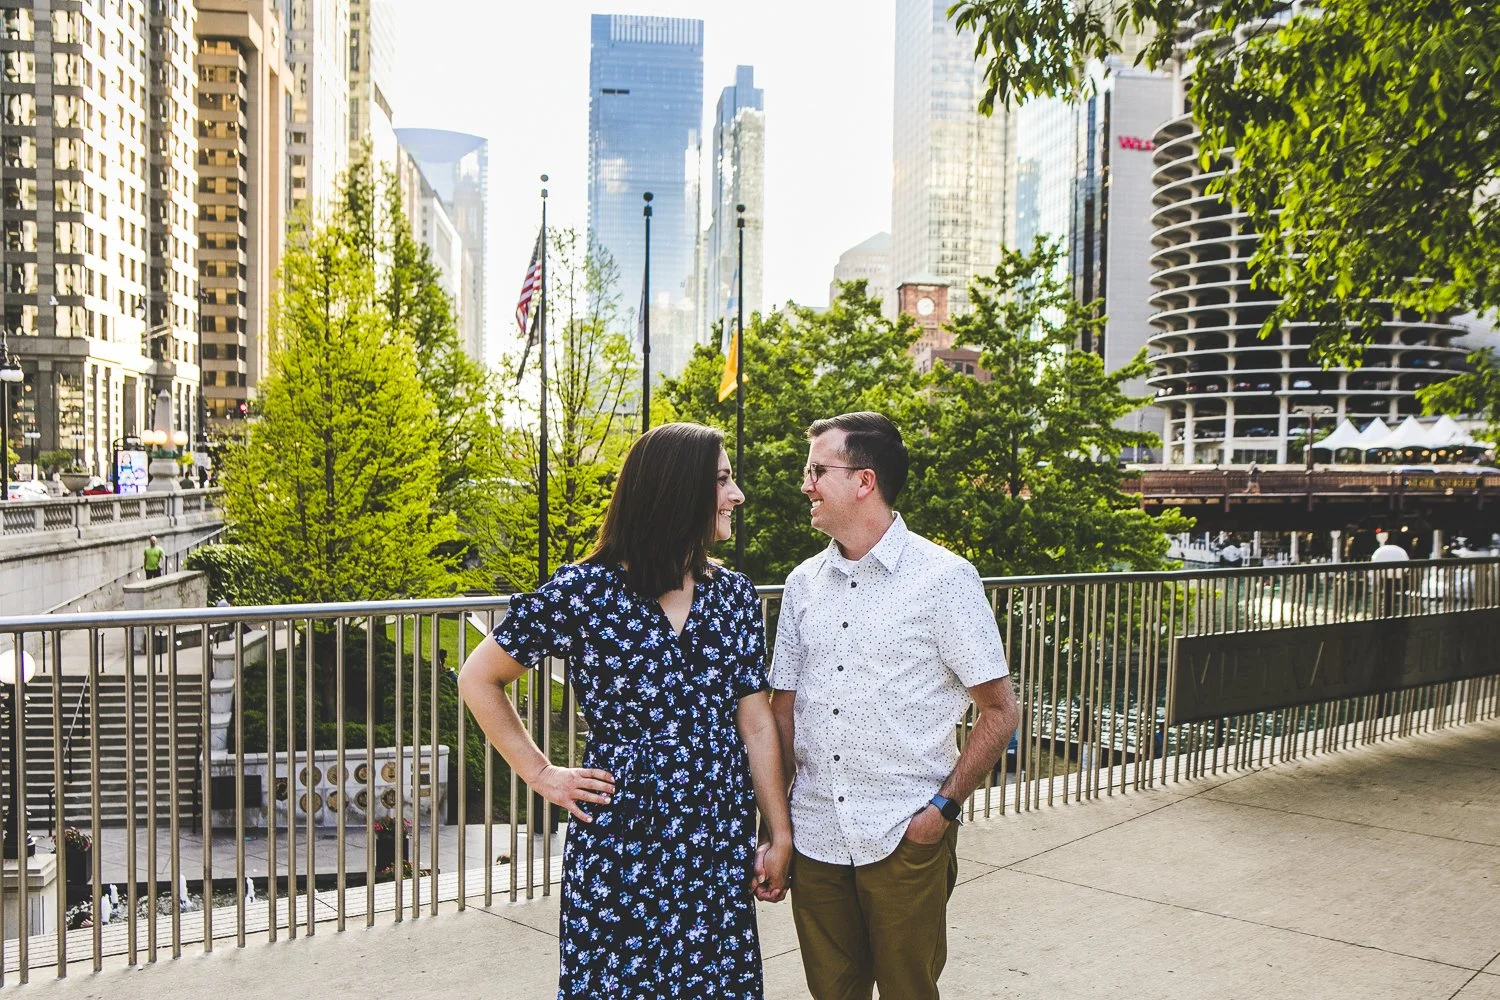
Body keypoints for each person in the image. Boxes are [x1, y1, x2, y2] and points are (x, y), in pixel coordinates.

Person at [458, 422, 791, 1000]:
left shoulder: (733, 595)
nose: (736, 495)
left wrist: (777, 831)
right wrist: (542, 774)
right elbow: (478, 678)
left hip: (714, 840)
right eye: (721, 480)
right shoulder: (584, 592)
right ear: (676, 491)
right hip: (621, 841)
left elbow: (755, 721)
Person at [769, 412, 1019, 1000]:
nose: (806, 484)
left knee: (910, 991)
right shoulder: (802, 583)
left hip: (904, 835)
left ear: (864, 481)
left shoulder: (945, 579)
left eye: (817, 471)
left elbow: (1001, 710)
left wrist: (940, 813)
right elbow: (782, 711)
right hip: (816, 837)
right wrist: (776, 827)